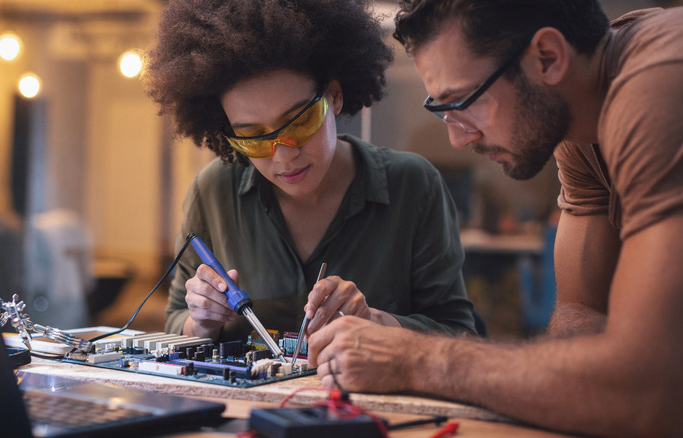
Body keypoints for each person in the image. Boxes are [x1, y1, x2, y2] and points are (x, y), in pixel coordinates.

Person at [308, 1, 683, 437]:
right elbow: (580, 321)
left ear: (547, 57)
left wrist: (414, 358)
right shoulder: (579, 123)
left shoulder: (662, 85)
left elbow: (650, 389)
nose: (456, 138)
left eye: (463, 101)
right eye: (442, 109)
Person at [142, 0, 478, 344]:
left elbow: (460, 334)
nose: (284, 156)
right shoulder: (213, 192)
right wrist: (202, 321)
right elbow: (175, 322)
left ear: (333, 97)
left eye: (300, 121)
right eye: (253, 136)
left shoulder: (413, 185)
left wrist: (374, 321)